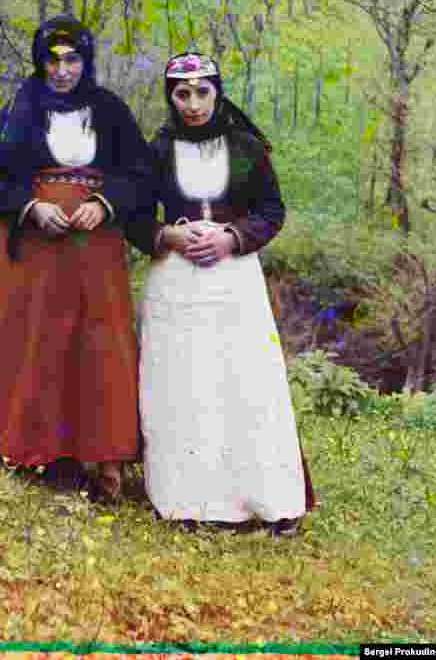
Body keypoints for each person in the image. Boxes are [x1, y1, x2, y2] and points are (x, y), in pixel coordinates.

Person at [0, 15, 153, 501]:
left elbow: (139, 174)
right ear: (40, 62)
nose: (63, 70)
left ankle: (98, 454)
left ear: (86, 63)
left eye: (72, 60)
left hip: (94, 249)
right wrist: (30, 206)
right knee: (35, 342)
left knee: (95, 345)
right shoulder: (19, 108)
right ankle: (37, 449)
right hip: (34, 248)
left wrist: (103, 204)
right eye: (53, 60)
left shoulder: (110, 111)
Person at [126, 51, 317, 535]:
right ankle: (186, 502)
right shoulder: (156, 150)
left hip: (234, 280)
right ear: (170, 98)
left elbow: (271, 211)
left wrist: (230, 237)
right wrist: (169, 236)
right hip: (176, 280)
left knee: (247, 382)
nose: (193, 104)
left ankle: (268, 501)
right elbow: (133, 217)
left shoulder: (247, 147)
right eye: (182, 94)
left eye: (202, 93)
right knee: (181, 385)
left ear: (218, 91)